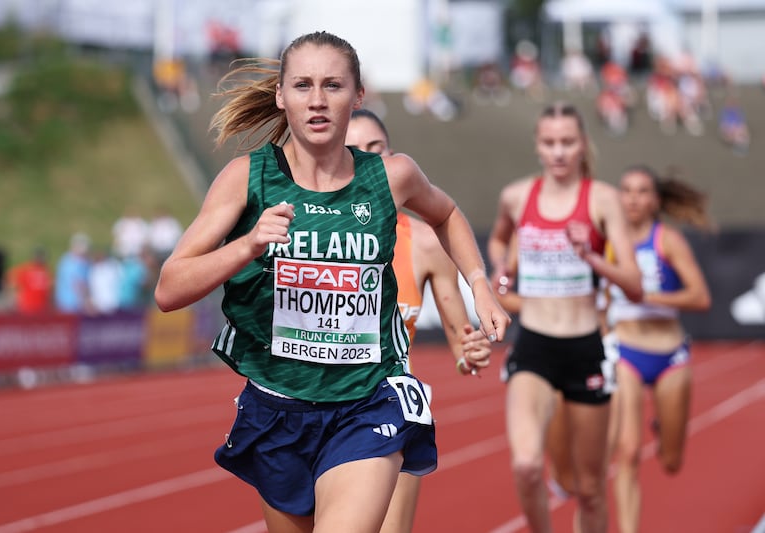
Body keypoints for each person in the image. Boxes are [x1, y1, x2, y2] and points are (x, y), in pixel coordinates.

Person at [154, 31, 510, 533]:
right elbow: (169, 289)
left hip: (368, 399)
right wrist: (249, 245)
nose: (317, 100)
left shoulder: (391, 176)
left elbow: (448, 213)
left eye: (333, 86)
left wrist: (479, 285)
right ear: (281, 96)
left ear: (358, 95)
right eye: (302, 85)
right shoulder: (247, 179)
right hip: (277, 405)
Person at [487, 101, 642, 533]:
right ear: (538, 145)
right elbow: (499, 240)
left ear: (582, 145)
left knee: (590, 489)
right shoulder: (518, 197)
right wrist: (501, 269)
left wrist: (590, 254)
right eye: (550, 143)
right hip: (534, 345)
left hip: (585, 348)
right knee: (527, 466)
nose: (558, 152)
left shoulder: (604, 199)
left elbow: (634, 283)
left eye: (567, 142)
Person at [345, 108, 492, 533]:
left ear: (393, 157)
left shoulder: (426, 243)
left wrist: (473, 352)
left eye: (377, 149)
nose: (368, 159)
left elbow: (461, 345)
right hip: (321, 407)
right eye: (354, 151)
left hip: (393, 408)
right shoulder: (313, 233)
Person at [606, 166, 712, 533]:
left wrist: (647, 295)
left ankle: (663, 427)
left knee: (671, 460)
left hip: (669, 354)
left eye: (642, 191)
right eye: (627, 190)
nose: (633, 198)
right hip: (625, 352)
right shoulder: (607, 240)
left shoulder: (666, 240)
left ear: (655, 201)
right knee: (628, 452)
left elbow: (700, 296)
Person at [6, 246, 53, 314]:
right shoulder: (26, 269)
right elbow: (10, 279)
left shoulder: (46, 270)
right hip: (27, 306)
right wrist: (14, 296)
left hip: (42, 306)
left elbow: (49, 287)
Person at [54, 232, 93, 314]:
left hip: (71, 303)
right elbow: (78, 283)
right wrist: (87, 302)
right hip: (71, 304)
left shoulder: (67, 260)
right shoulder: (71, 262)